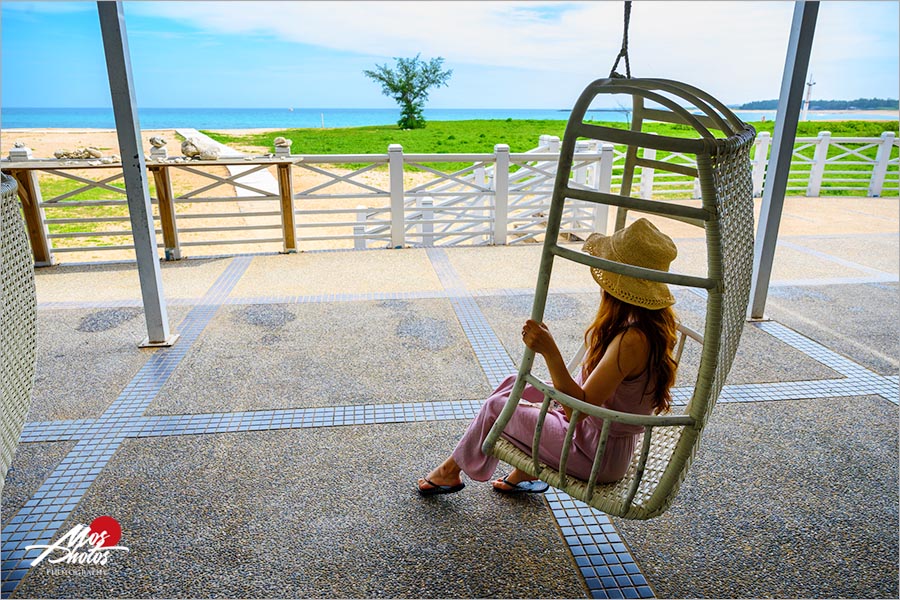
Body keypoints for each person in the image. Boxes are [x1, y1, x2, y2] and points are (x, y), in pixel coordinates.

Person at [417, 218, 679, 495]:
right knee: (513, 383)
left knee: (497, 407)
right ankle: (522, 471)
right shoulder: (645, 324)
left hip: (594, 454)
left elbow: (577, 411)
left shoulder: (633, 339)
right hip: (595, 439)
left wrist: (550, 352)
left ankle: (450, 471)